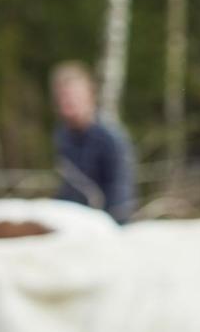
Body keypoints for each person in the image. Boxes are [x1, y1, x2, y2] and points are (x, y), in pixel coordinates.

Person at [49, 61, 137, 222]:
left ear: (90, 95)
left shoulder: (111, 138)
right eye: (63, 96)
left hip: (104, 227)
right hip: (74, 223)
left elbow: (121, 197)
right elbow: (69, 189)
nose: (68, 102)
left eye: (74, 96)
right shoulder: (63, 135)